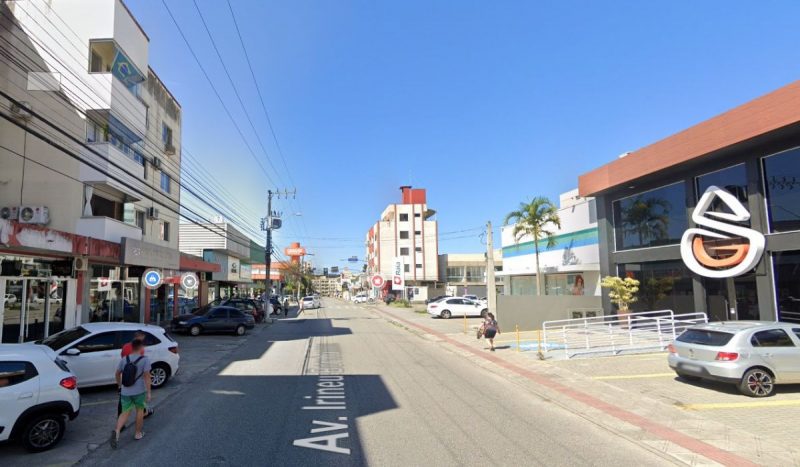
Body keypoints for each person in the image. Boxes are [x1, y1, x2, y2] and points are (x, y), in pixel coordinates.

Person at [111, 338, 151, 448]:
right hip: (139, 391)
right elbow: (147, 377)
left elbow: (117, 374)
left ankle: (117, 431)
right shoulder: (145, 360)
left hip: (125, 391)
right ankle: (138, 434)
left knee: (125, 412)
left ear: (132, 347)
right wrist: (149, 392)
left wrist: (120, 385)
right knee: (139, 411)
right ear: (141, 348)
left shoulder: (124, 359)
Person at [118, 331, 154, 421]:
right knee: (139, 398)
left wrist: (119, 384)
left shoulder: (125, 346)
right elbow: (141, 364)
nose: (143, 340)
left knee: (123, 399)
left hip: (126, 376)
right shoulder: (140, 349)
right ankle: (143, 413)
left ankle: (120, 420)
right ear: (139, 337)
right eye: (143, 338)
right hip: (136, 378)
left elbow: (122, 358)